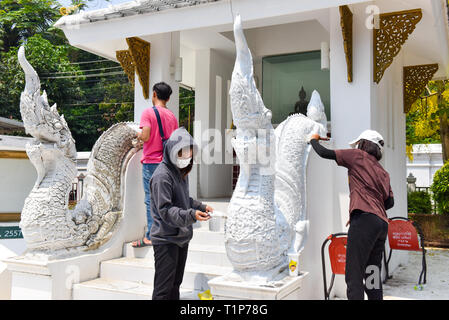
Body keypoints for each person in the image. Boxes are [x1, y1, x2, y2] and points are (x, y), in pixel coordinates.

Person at [309, 129, 394, 300]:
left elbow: (324, 153)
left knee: (354, 273)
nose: (356, 146)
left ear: (363, 144)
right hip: (381, 224)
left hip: (365, 221)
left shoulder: (357, 156)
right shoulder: (383, 172)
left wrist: (313, 140)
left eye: (358, 144)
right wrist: (369, 208)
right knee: (372, 274)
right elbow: (390, 202)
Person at [150, 127, 213, 300]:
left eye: (189, 155)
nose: (186, 159)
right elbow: (166, 210)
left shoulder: (180, 172)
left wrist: (201, 206)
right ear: (172, 151)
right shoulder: (162, 176)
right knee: (163, 291)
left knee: (175, 286)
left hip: (181, 238)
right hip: (166, 239)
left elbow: (184, 200)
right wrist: (191, 215)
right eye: (183, 155)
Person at [132, 82, 178, 248]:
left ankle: (151, 236)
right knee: (166, 199)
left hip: (152, 163)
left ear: (154, 94)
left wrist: (135, 134)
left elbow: (145, 136)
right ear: (168, 97)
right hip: (168, 164)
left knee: (151, 200)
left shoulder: (148, 113)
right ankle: (166, 232)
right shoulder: (172, 116)